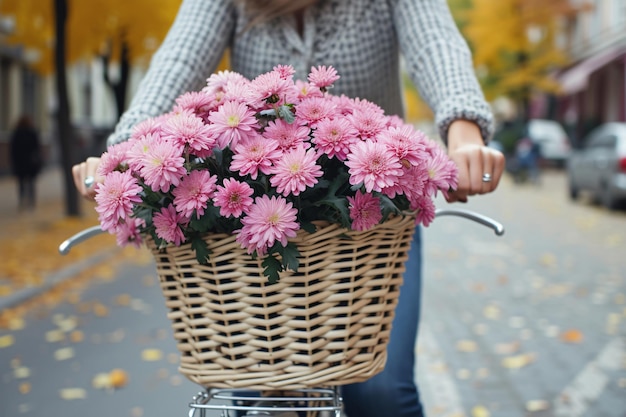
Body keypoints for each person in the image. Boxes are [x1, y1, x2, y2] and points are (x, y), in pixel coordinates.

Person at [72, 1, 506, 416]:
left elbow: (436, 43)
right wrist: (121, 157)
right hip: (251, 235)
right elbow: (177, 60)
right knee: (244, 385)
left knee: (381, 393)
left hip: (374, 223)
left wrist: (463, 133)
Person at [10, 115, 43, 209]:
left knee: (21, 183)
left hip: (20, 163)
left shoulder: (17, 133)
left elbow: (13, 150)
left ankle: (22, 201)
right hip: (31, 163)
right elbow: (37, 148)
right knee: (31, 183)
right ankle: (31, 202)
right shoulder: (32, 133)